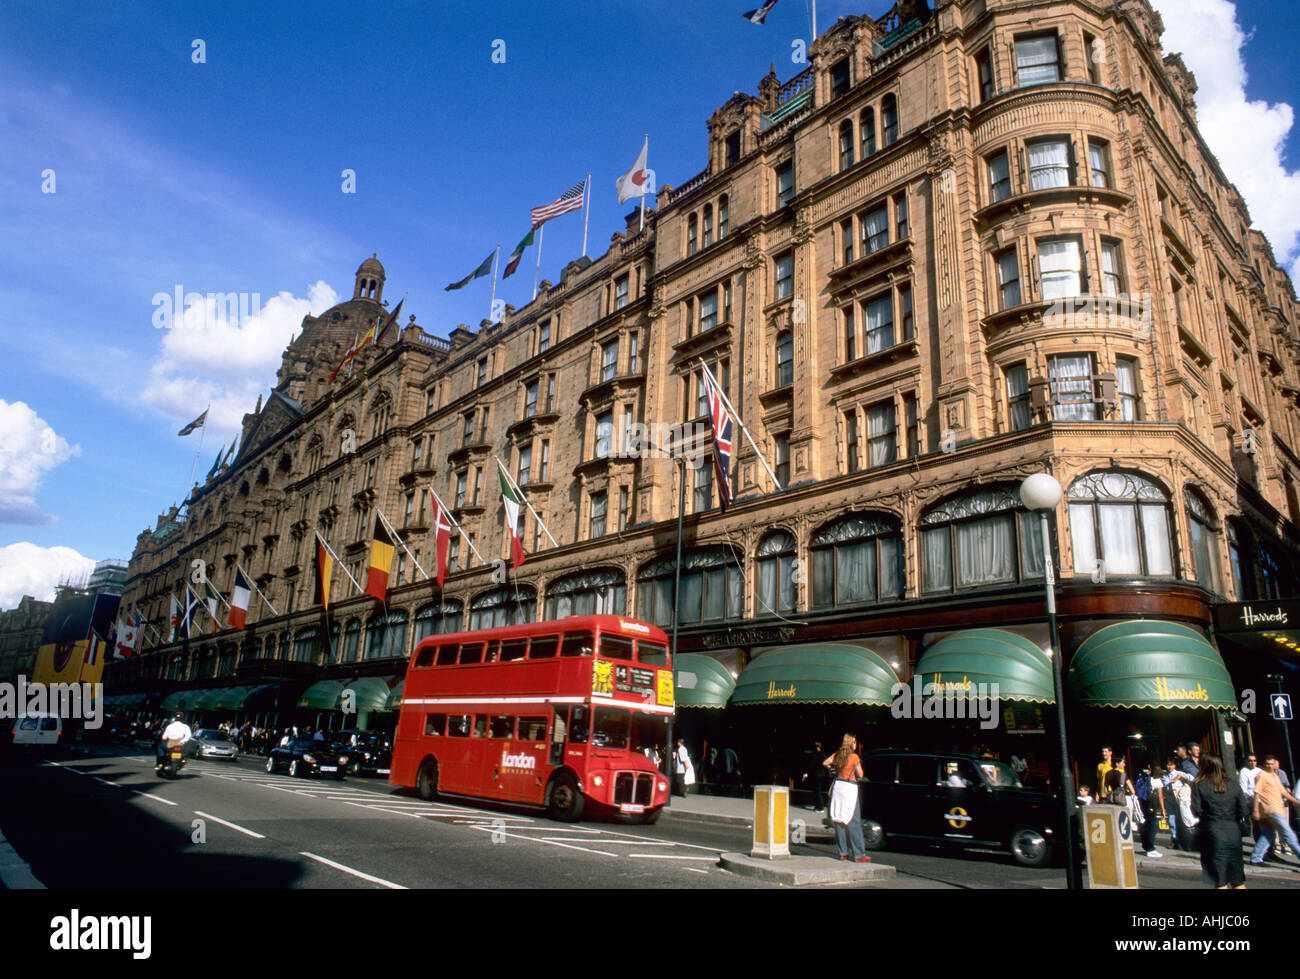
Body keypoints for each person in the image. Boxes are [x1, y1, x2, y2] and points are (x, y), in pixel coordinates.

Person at [1192, 752, 1249, 889]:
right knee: (1237, 880)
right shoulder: (1233, 784)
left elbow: (1196, 811)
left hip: (1213, 833)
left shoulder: (1199, 785)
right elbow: (1244, 810)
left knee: (1220, 880)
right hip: (1233, 833)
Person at [822, 734, 870, 863]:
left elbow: (825, 762)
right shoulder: (854, 757)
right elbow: (861, 774)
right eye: (855, 742)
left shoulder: (837, 755)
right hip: (850, 788)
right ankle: (859, 854)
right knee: (854, 821)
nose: (856, 745)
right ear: (851, 743)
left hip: (838, 787)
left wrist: (833, 769)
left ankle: (842, 853)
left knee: (840, 819)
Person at [1251, 755, 1300, 867]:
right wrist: (1255, 810)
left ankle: (1255, 857)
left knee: (1269, 834)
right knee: (1289, 835)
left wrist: (1297, 802)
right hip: (1271, 809)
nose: (1270, 765)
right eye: (1267, 763)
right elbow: (1256, 792)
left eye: (1272, 763)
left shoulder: (1274, 776)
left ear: (1275, 764)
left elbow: (1284, 792)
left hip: (1275, 808)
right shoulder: (1262, 775)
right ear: (1264, 764)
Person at [1136, 763, 1162, 857]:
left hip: (1142, 802)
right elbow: (1160, 796)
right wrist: (1163, 809)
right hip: (1151, 804)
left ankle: (1146, 846)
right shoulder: (1156, 779)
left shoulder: (1143, 776)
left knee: (1145, 824)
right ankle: (1150, 849)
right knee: (1152, 825)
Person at [800, 740, 830, 811]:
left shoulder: (815, 754)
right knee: (818, 790)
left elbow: (812, 765)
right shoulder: (823, 754)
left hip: (817, 774)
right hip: (822, 775)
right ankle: (817, 806)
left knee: (817, 791)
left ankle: (820, 807)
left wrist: (806, 773)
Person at [1239, 753, 1262, 842]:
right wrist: (1252, 799)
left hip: (1262, 799)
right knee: (1256, 823)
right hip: (1252, 800)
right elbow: (1244, 789)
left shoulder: (1259, 770)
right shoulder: (1244, 771)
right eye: (1250, 761)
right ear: (1247, 762)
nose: (1252, 763)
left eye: (1254, 761)